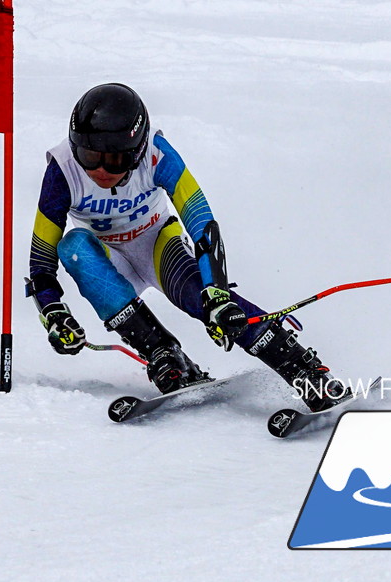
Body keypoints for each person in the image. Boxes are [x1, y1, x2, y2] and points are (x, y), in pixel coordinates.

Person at [26, 82, 349, 411]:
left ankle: (305, 370)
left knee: (203, 299)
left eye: (113, 159)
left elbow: (202, 224)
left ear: (137, 152)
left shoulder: (158, 154)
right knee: (73, 247)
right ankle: (165, 357)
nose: (99, 170)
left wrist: (217, 292)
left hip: (155, 243)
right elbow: (41, 258)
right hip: (107, 259)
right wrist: (52, 310)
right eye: (90, 156)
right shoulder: (63, 170)